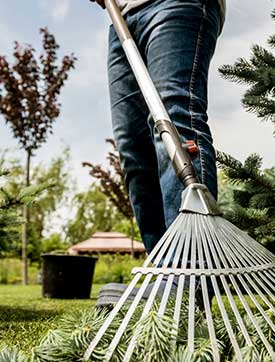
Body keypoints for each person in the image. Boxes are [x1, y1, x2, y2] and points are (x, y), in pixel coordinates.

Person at [90, 0, 226, 305]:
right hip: (122, 15)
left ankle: (192, 277)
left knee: (174, 123)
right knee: (132, 149)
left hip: (175, 4)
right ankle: (164, 275)